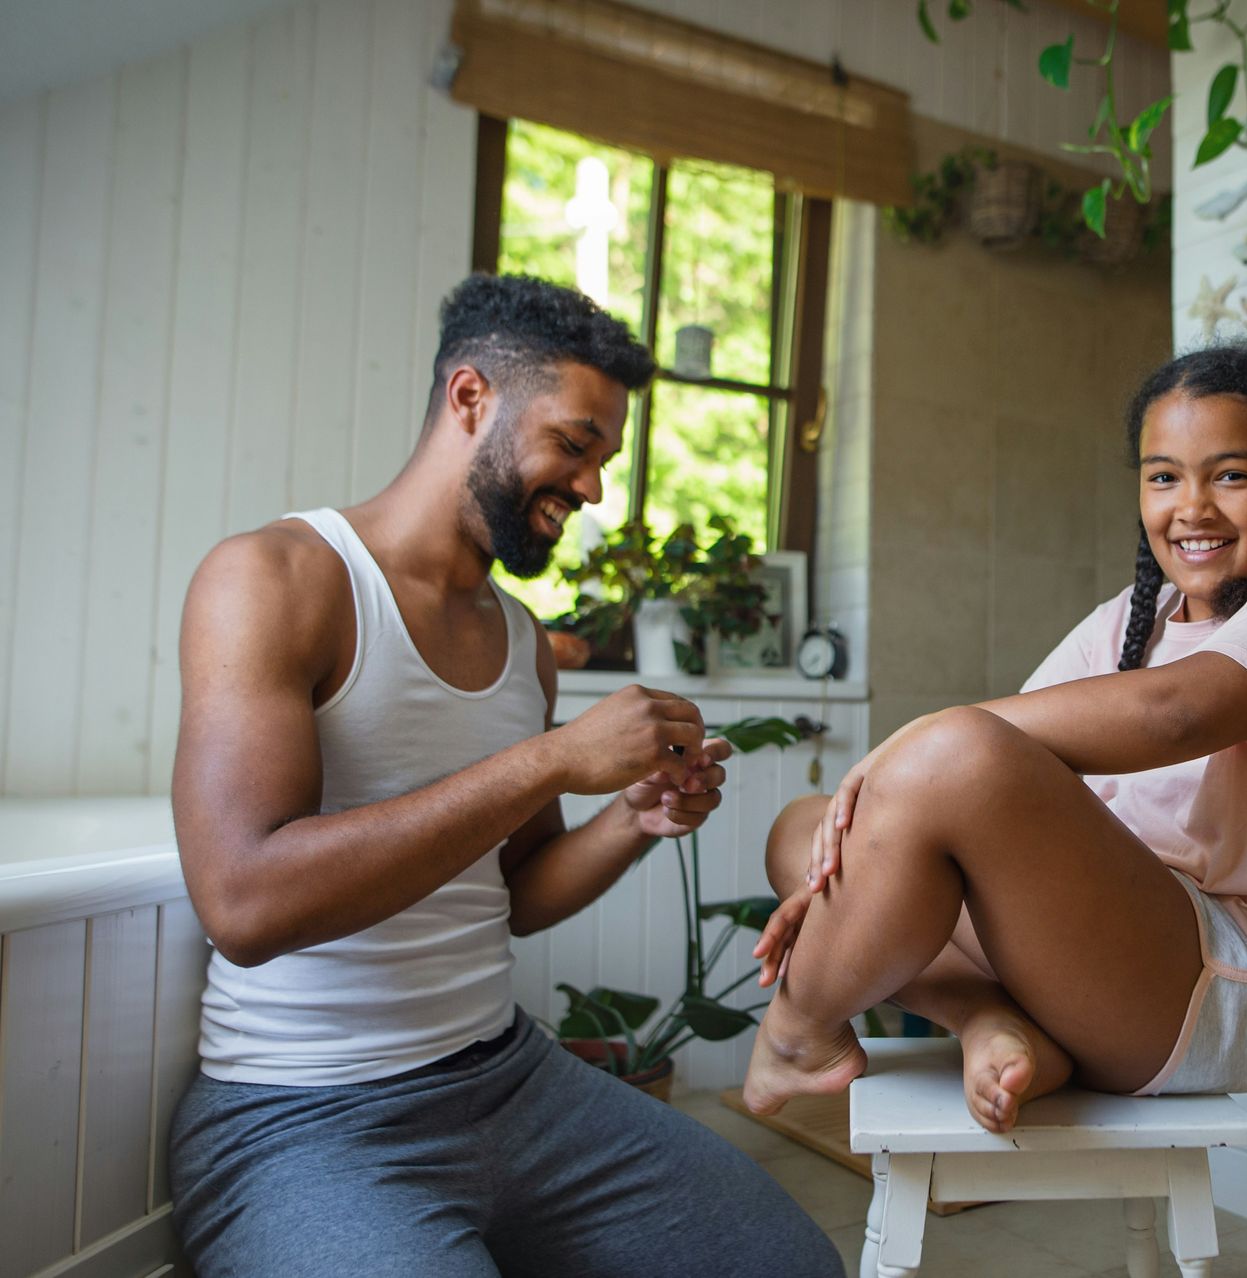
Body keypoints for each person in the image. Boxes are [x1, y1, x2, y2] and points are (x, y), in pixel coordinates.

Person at [167, 273, 841, 1277]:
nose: (593, 487)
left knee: (791, 1265)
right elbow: (244, 902)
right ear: (471, 398)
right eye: (575, 443)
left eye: (604, 458)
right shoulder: (277, 579)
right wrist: (551, 760)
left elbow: (515, 897)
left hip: (514, 1084)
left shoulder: (520, 641)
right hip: (301, 1116)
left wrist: (629, 817)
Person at [744, 343, 1247, 1133]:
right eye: (1163, 476)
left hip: (1218, 990)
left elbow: (1171, 715)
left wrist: (911, 746)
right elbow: (986, 779)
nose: (1192, 507)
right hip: (1089, 957)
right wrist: (867, 850)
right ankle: (990, 1018)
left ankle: (797, 1031)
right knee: (807, 834)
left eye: (1230, 475)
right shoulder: (1132, 618)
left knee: (947, 759)